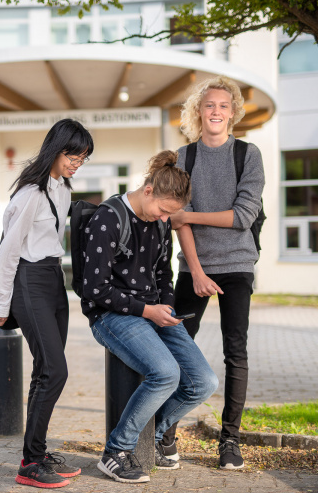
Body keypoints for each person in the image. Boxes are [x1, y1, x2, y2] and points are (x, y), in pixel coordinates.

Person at [82, 150, 218, 484]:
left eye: (170, 215)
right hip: (112, 315)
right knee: (165, 373)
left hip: (154, 313)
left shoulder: (160, 223)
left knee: (204, 382)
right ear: (147, 192)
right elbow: (94, 289)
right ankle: (117, 451)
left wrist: (167, 309)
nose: (163, 218)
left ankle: (151, 438)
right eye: (162, 209)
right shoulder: (108, 218)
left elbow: (163, 276)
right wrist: (147, 311)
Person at [166, 75, 266, 470]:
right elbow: (176, 221)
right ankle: (166, 433)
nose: (217, 112)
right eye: (210, 105)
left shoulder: (248, 154)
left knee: (235, 352)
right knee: (176, 348)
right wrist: (195, 271)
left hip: (238, 266)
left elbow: (243, 216)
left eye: (224, 106)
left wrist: (188, 214)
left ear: (234, 112)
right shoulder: (183, 157)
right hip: (194, 268)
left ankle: (230, 441)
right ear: (198, 111)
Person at [0, 118, 94, 489]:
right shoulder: (29, 195)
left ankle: (34, 454)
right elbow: (8, 251)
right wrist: (2, 305)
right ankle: (30, 464)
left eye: (82, 157)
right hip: (28, 281)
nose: (76, 162)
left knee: (44, 372)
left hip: (53, 279)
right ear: (56, 148)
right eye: (72, 154)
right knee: (55, 370)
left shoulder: (62, 189)